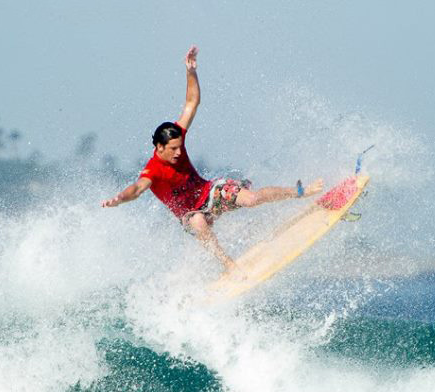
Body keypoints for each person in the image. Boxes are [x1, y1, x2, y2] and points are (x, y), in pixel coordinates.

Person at [101, 45, 325, 274]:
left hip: (209, 192)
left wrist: (191, 72)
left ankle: (301, 192)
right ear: (159, 147)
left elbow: (191, 103)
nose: (179, 153)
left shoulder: (177, 137)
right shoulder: (153, 170)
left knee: (252, 198)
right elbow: (137, 189)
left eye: (180, 147)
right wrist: (119, 198)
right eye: (173, 149)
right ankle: (228, 266)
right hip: (189, 214)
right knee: (198, 222)